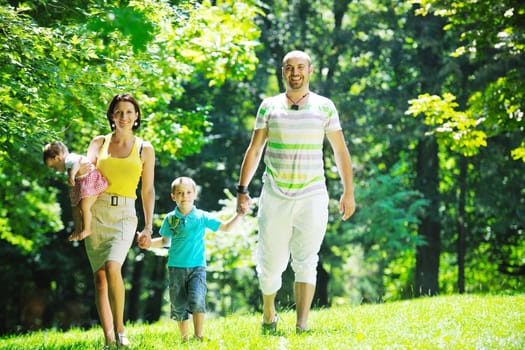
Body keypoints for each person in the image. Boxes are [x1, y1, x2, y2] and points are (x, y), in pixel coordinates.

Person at [236, 50, 356, 334]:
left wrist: (348, 192)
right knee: (271, 262)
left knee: (307, 259)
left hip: (313, 193)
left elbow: (340, 151)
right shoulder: (269, 106)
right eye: (289, 68)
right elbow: (255, 151)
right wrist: (242, 190)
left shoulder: (325, 107)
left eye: (300, 67)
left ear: (310, 70)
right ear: (283, 72)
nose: (295, 73)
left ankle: (302, 324)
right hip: (274, 194)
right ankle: (269, 312)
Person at [84, 93, 155, 348]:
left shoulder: (144, 148)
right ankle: (108, 339)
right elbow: (87, 168)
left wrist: (148, 226)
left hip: (125, 214)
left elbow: (148, 190)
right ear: (112, 116)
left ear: (136, 116)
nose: (124, 117)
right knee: (100, 278)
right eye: (119, 112)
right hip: (96, 211)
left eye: (129, 112)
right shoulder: (99, 142)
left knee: (114, 266)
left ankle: (121, 330)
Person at [139, 176, 244, 342]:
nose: (184, 196)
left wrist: (239, 215)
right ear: (173, 196)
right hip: (175, 268)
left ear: (195, 194)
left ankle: (199, 335)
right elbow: (165, 242)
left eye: (188, 192)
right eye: (180, 193)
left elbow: (225, 227)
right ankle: (184, 338)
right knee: (178, 304)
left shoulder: (202, 217)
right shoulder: (170, 219)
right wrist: (148, 244)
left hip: (197, 268)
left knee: (197, 299)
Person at [44, 141, 109, 241]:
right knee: (75, 208)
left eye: (54, 166)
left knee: (84, 206)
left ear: (57, 158)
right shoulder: (67, 163)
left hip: (90, 181)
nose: (55, 170)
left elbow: (76, 164)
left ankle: (87, 229)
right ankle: (77, 229)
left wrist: (72, 175)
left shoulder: (69, 159)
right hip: (82, 183)